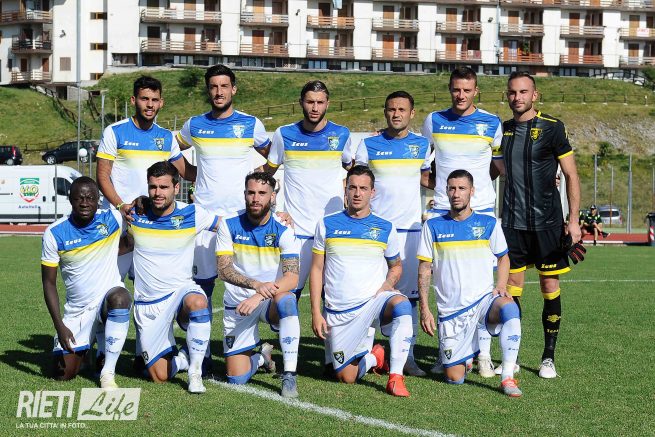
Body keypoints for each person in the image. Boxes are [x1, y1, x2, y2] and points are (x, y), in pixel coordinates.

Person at [176, 64, 271, 372]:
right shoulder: (194, 125)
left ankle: (247, 349)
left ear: (234, 89)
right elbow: (171, 151)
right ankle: (201, 354)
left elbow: (274, 157)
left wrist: (261, 182)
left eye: (224, 86)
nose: (219, 92)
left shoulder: (251, 124)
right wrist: (194, 175)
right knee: (201, 289)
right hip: (205, 221)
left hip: (241, 221)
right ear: (208, 90)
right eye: (213, 87)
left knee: (244, 289)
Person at [263, 80, 352, 376]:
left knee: (333, 296)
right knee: (284, 297)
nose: (315, 108)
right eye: (310, 102)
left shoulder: (342, 134)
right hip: (297, 232)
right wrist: (275, 209)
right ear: (301, 102)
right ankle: (274, 348)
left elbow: (355, 172)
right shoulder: (284, 134)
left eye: (320, 102)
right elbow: (267, 176)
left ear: (328, 104)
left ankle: (330, 358)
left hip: (333, 233)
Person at [420, 67, 504, 378]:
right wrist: (443, 191)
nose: (461, 95)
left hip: (480, 212)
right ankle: (447, 349)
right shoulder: (433, 121)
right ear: (449, 89)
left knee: (482, 287)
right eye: (456, 89)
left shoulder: (492, 123)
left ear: (476, 91)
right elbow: (423, 166)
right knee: (445, 284)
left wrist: (475, 190)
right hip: (443, 212)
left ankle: (484, 355)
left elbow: (497, 166)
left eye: (467, 90)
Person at [500, 71, 582, 379]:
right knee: (511, 292)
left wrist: (573, 221)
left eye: (523, 92)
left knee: (549, 287)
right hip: (513, 224)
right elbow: (493, 169)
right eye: (512, 92)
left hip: (547, 224)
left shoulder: (552, 127)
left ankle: (548, 357)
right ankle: (512, 357)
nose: (517, 97)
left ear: (534, 95)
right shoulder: (503, 130)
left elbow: (571, 175)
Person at [310, 165, 414, 397]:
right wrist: (316, 312)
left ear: (372, 192)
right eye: (353, 188)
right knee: (345, 377)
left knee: (402, 304)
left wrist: (387, 285)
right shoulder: (326, 224)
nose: (357, 193)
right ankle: (375, 356)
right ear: (345, 190)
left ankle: (396, 377)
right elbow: (316, 269)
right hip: (339, 311)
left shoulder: (385, 227)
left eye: (363, 188)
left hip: (373, 302)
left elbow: (396, 266)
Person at [417, 170, 523, 397]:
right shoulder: (432, 226)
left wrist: (501, 285)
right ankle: (465, 357)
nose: (456, 194)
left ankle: (507, 377)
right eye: (452, 188)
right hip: (452, 312)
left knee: (510, 308)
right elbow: (425, 268)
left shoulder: (488, 223)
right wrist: (425, 308)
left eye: (462, 188)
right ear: (446, 191)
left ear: (472, 191)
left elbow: (504, 257)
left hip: (483, 302)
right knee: (454, 378)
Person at [347, 91, 431, 377]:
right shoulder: (368, 144)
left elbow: (428, 178)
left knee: (409, 298)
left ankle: (407, 357)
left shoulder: (422, 145)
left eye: (402, 109)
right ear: (385, 112)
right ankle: (365, 352)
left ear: (412, 113)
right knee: (370, 293)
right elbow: (355, 182)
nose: (396, 114)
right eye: (391, 109)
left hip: (409, 232)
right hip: (374, 232)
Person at [129, 161, 219, 393]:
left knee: (199, 302)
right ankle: (183, 359)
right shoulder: (134, 214)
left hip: (181, 292)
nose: (158, 193)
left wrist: (276, 219)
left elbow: (229, 226)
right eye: (153, 187)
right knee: (159, 376)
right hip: (149, 303)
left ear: (176, 188)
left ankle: (195, 372)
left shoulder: (192, 213)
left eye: (164, 187)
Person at [41, 177, 132, 390]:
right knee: (62, 374)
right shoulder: (54, 233)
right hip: (78, 311)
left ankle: (107, 372)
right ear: (70, 199)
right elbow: (49, 283)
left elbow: (139, 216)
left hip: (107, 299)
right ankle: (89, 347)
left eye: (90, 198)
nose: (84, 203)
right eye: (79, 198)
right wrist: (60, 326)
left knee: (120, 297)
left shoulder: (112, 218)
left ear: (98, 200)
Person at [216, 172, 301, 398]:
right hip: (238, 305)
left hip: (267, 301)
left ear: (272, 197)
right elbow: (224, 270)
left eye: (262, 193)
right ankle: (262, 358)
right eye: (251, 192)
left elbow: (292, 278)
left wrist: (259, 295)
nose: (256, 198)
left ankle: (289, 374)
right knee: (236, 378)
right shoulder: (229, 224)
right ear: (244, 194)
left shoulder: (284, 227)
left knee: (287, 300)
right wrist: (255, 285)